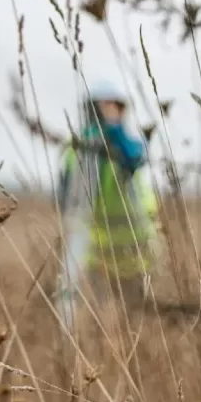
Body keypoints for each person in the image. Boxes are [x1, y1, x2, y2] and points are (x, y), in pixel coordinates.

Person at [54, 80, 162, 331]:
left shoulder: (123, 146)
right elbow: (71, 204)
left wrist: (114, 134)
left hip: (136, 253)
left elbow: (136, 158)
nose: (114, 113)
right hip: (98, 256)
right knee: (103, 323)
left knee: (136, 322)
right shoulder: (80, 149)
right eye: (107, 108)